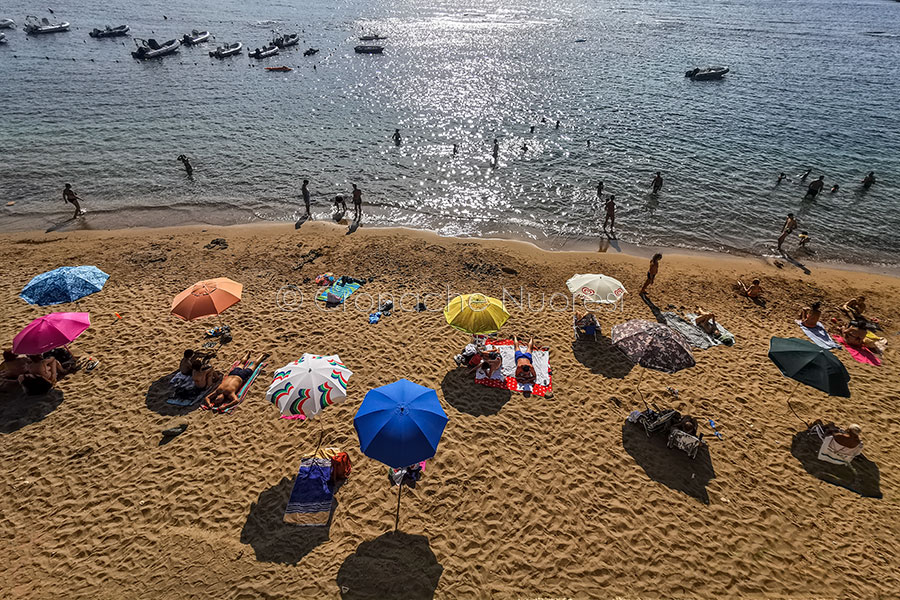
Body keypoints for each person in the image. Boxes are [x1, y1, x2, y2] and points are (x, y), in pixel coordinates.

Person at [203, 353, 267, 411]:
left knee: (242, 363)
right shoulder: (230, 394)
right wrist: (226, 407)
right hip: (242, 376)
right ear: (223, 401)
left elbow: (207, 397)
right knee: (254, 365)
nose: (217, 399)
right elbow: (236, 400)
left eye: (216, 399)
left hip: (232, 373)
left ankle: (248, 353)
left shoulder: (218, 391)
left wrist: (209, 404)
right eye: (219, 401)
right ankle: (262, 355)